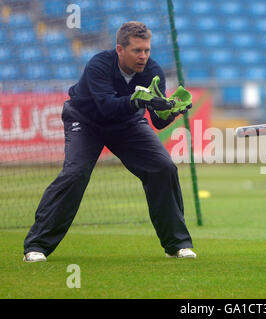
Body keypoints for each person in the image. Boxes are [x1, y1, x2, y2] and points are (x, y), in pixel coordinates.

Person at [23, 21, 196, 262]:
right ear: (120, 49)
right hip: (85, 122)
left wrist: (173, 111)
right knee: (76, 173)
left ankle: (176, 245)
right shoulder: (99, 64)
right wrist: (140, 101)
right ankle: (37, 246)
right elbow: (105, 107)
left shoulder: (152, 71)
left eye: (146, 50)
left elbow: (157, 121)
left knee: (163, 168)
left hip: (127, 125)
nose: (143, 56)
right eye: (137, 50)